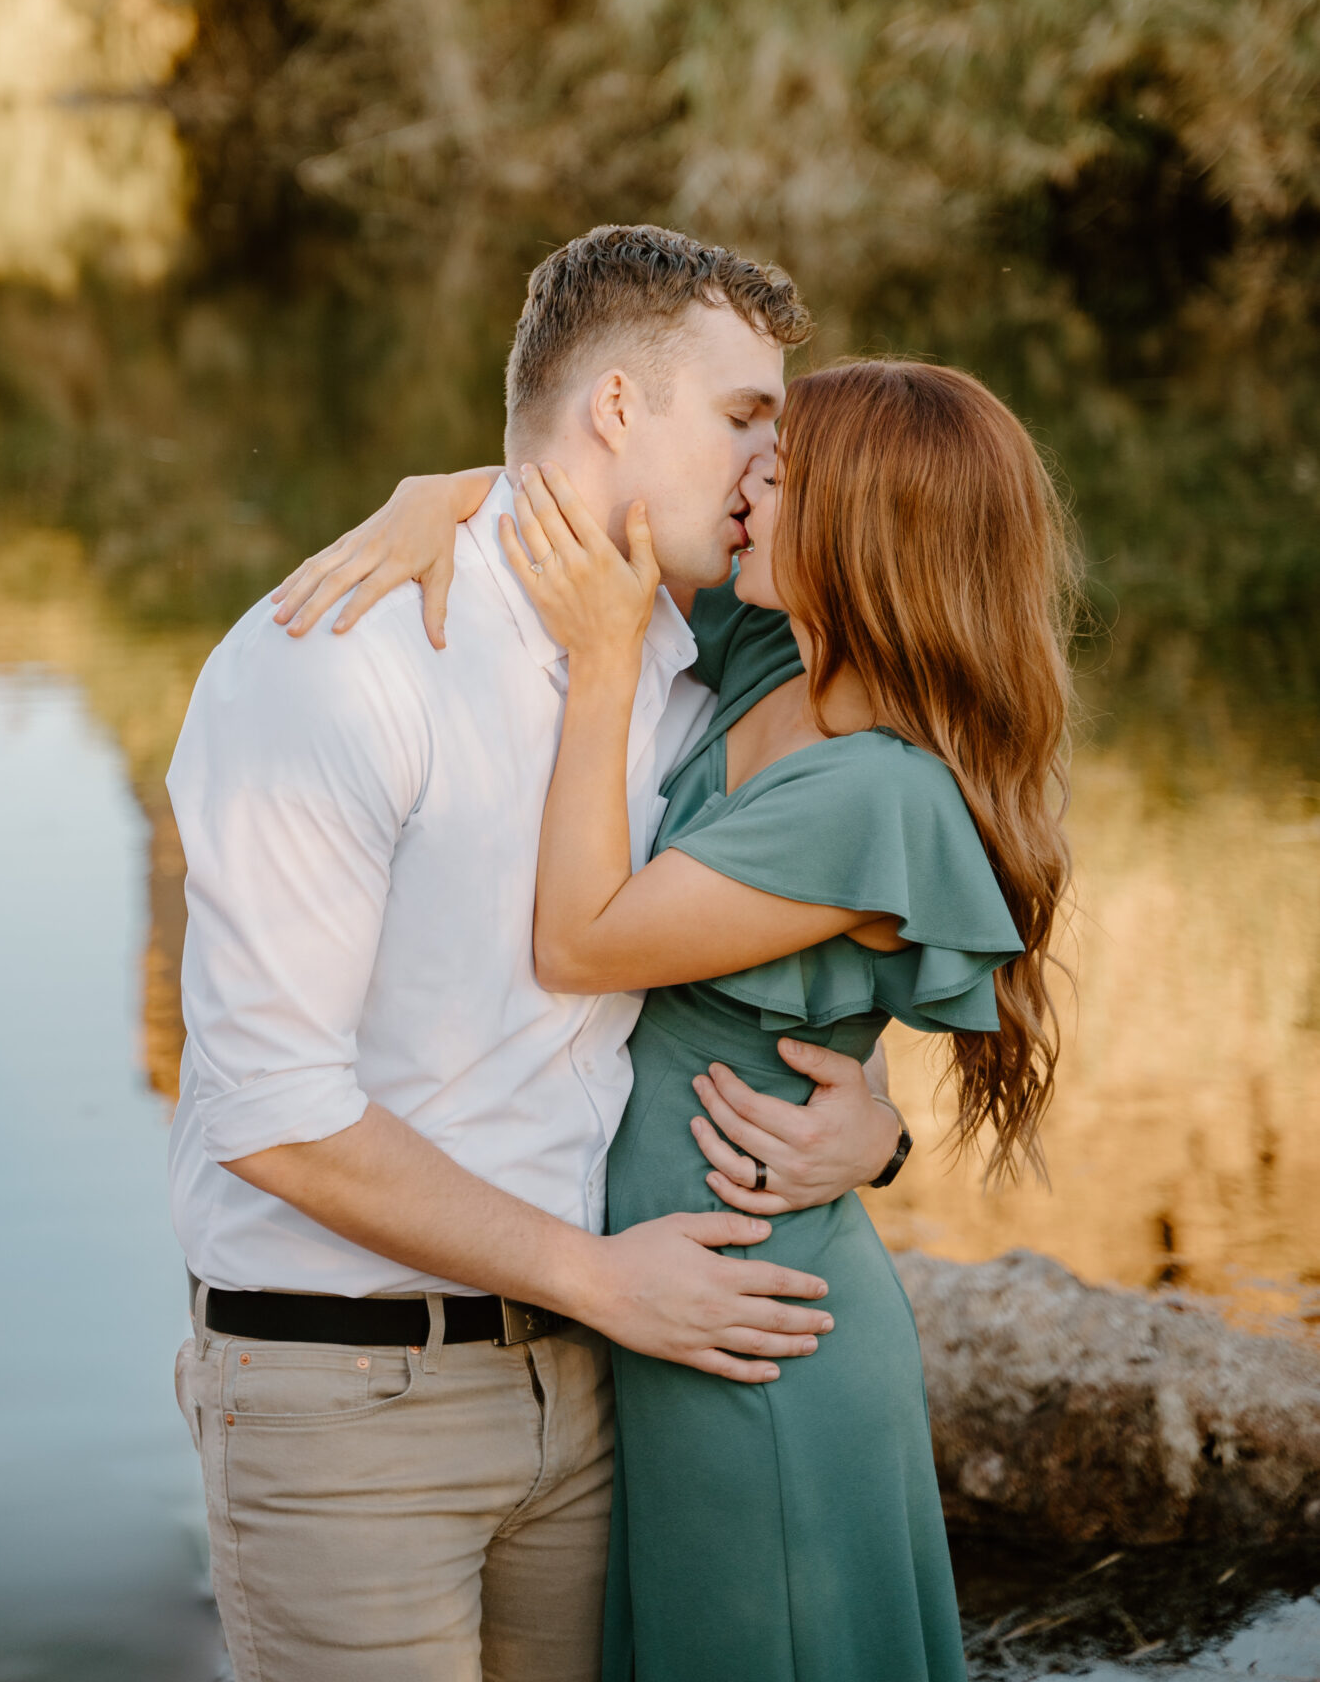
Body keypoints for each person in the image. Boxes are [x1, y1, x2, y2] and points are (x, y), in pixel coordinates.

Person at [167, 226, 913, 1682]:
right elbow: (271, 1114)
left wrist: (871, 1135)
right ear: (621, 408)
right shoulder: (339, 659)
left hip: (599, 1392)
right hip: (347, 1397)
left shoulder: (708, 669)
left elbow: (795, 967)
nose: (770, 474)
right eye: (746, 423)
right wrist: (597, 1277)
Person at [313, 355, 1075, 1682]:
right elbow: (593, 520)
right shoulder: (776, 653)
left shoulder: (872, 793)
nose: (743, 489)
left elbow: (583, 941)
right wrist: (438, 495)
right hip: (662, 1307)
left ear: (858, 531)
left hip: (751, 1336)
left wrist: (607, 667)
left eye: (777, 476)